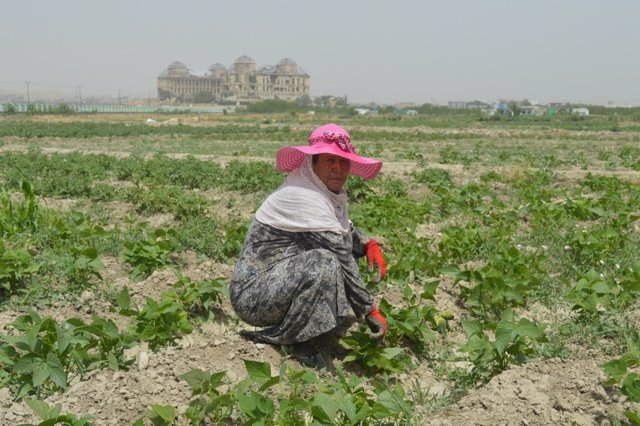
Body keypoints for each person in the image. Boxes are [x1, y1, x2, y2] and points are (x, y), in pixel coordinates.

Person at [229, 123, 387, 368]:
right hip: (254, 295)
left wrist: (369, 244)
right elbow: (341, 254)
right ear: (313, 163)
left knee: (329, 261)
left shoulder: (318, 190)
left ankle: (308, 329)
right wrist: (369, 311)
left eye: (343, 162)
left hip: (277, 283)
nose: (337, 169)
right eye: (329, 161)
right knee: (324, 262)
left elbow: (343, 230)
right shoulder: (303, 196)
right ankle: (293, 342)